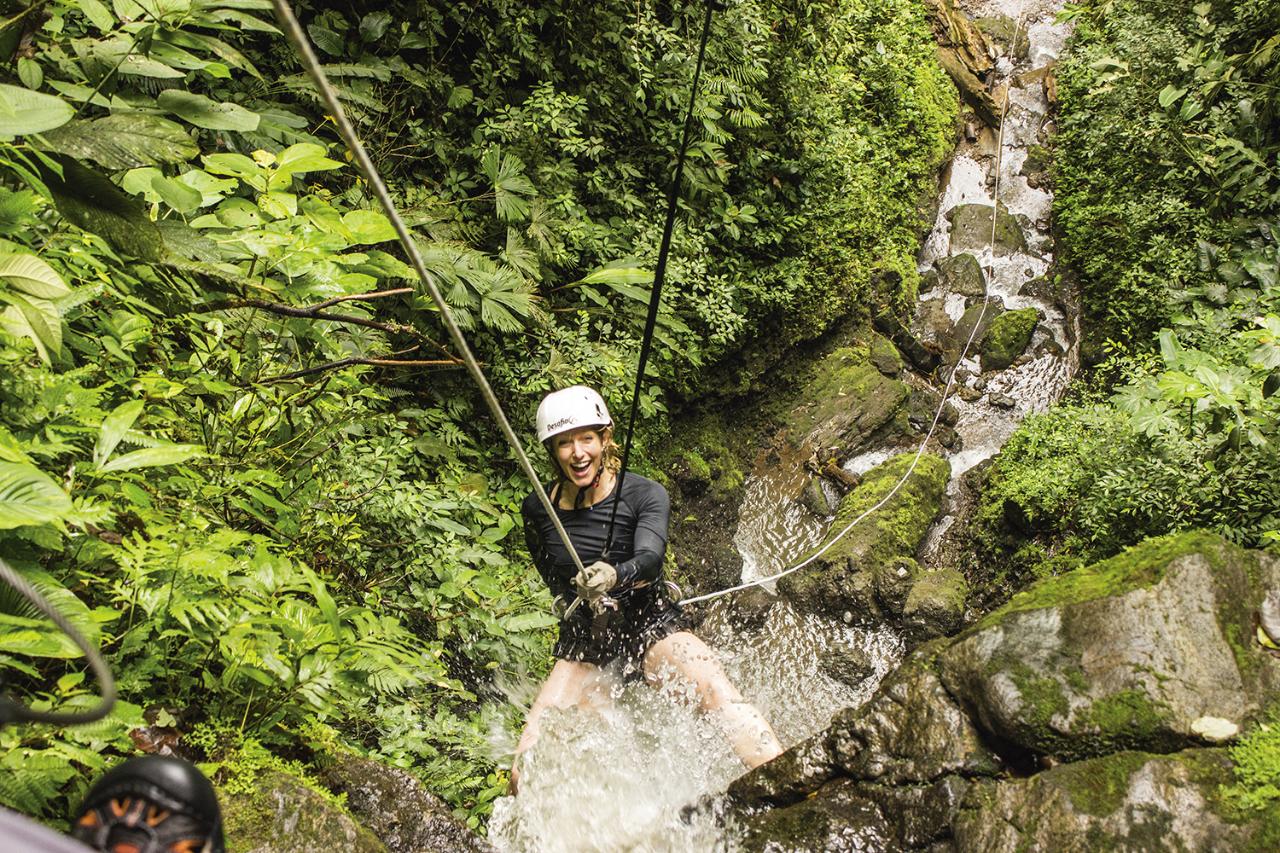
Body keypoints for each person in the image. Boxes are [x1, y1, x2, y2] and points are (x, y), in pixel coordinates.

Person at [512, 386, 782, 791]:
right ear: (552, 451)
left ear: (605, 439)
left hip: (651, 624)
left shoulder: (644, 494)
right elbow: (552, 576)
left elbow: (651, 557)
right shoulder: (539, 509)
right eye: (564, 443)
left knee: (714, 692)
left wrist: (614, 576)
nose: (577, 452)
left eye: (587, 438)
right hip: (587, 640)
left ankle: (788, 782)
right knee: (527, 763)